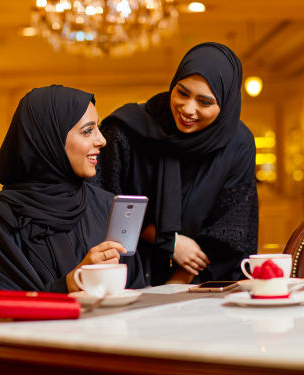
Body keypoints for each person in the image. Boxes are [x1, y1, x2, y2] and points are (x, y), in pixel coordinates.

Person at [0, 85, 146, 310]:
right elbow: (7, 308)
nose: (102, 140)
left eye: (97, 129)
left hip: (114, 338)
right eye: (87, 131)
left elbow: (135, 290)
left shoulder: (105, 204)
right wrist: (73, 282)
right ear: (49, 141)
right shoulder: (1, 219)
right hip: (39, 343)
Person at [91, 42, 258, 285]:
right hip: (127, 274)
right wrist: (168, 240)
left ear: (225, 105)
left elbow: (231, 230)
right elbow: (101, 205)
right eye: (182, 93)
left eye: (205, 102)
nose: (188, 109)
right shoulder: (126, 131)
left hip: (201, 282)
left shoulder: (238, 144)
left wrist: (176, 288)